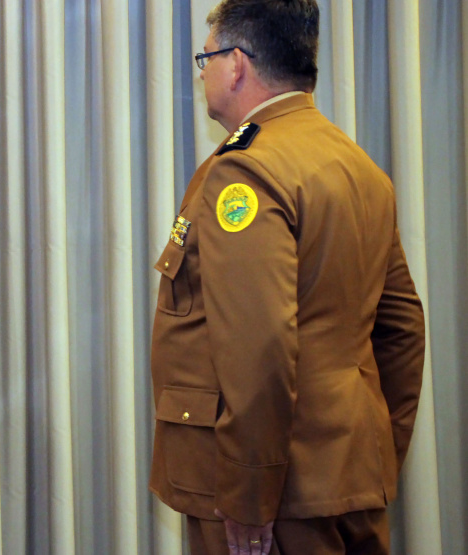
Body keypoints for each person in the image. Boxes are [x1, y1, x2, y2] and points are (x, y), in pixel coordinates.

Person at [149, 1, 425, 554]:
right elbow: (403, 330)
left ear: (236, 64)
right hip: (345, 482)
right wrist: (373, 455)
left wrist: (250, 494)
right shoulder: (358, 166)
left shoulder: (245, 168)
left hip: (274, 499)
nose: (202, 73)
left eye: (205, 58)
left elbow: (259, 345)